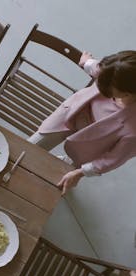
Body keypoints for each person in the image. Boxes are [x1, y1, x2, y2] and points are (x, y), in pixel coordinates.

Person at [28, 50, 136, 194]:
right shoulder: (114, 72)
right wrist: (87, 62)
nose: (100, 81)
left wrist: (80, 172)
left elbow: (113, 159)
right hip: (73, 114)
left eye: (110, 88)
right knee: (28, 147)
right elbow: (98, 69)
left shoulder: (132, 131)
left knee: (59, 179)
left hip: (92, 144)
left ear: (127, 92)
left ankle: (67, 162)